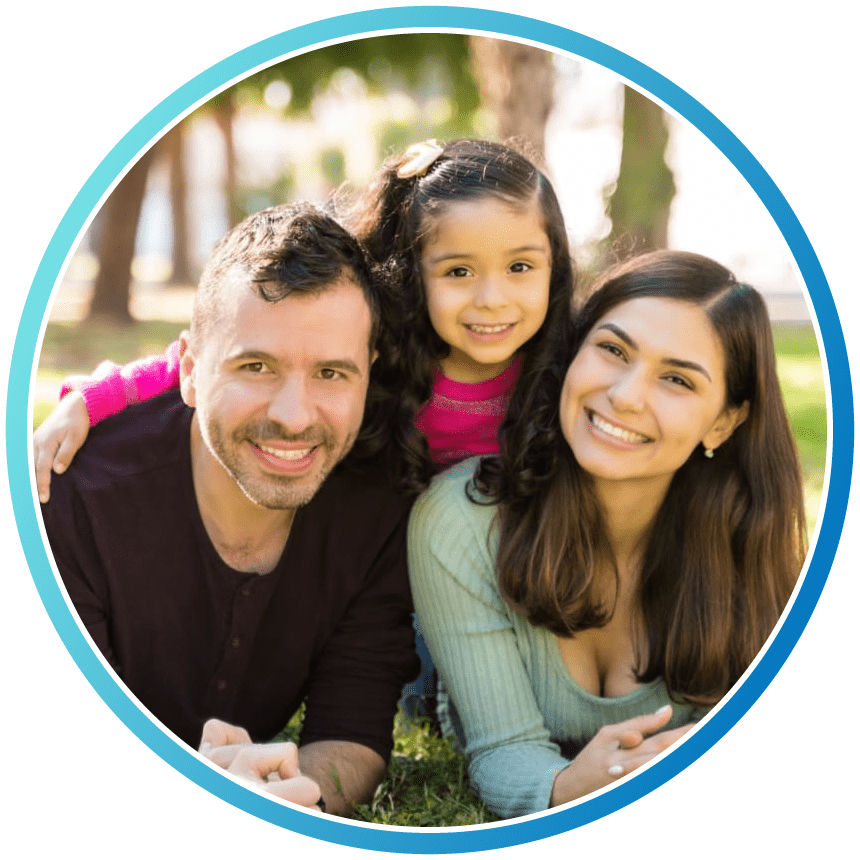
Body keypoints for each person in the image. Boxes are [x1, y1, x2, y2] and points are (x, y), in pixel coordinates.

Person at [33, 138, 576, 717]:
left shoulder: (564, 372)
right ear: (415, 274)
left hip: (529, 586)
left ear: (554, 266)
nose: (492, 300)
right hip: (416, 604)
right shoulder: (386, 355)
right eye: (459, 271)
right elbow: (201, 362)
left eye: (520, 267)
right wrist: (93, 400)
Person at [38, 202, 419, 816]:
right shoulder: (73, 501)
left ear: (367, 378)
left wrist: (297, 795)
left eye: (330, 373)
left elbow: (352, 732)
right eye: (256, 366)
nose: (294, 416)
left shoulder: (375, 512)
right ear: (188, 370)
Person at [407, 250, 806, 819]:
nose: (625, 395)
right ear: (575, 351)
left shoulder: (751, 547)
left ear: (724, 420)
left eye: (676, 379)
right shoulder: (462, 517)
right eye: (613, 350)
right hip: (432, 670)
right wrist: (568, 787)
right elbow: (504, 752)